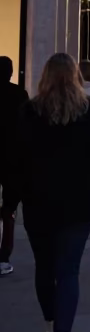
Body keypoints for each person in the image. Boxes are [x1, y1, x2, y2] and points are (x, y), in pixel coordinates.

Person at [3, 53, 90, 332]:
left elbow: (15, 160)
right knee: (68, 271)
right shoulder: (88, 111)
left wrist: (11, 200)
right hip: (77, 204)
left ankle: (51, 327)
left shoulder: (29, 111)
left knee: (45, 267)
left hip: (38, 202)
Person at [0, 56, 28, 277]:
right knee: (9, 208)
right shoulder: (19, 95)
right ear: (10, 72)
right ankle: (3, 255)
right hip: (12, 158)